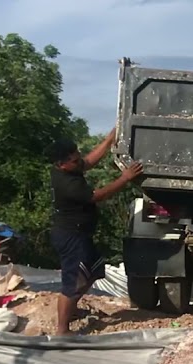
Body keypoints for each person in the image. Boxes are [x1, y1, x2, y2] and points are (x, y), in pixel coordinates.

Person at [46, 130, 144, 335]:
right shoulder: (67, 184)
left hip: (81, 235)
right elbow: (97, 196)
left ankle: (71, 310)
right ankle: (62, 330)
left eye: (77, 156)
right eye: (74, 161)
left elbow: (88, 162)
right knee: (74, 281)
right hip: (71, 236)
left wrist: (108, 141)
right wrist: (125, 178)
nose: (79, 162)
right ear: (61, 164)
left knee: (92, 271)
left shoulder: (70, 169)